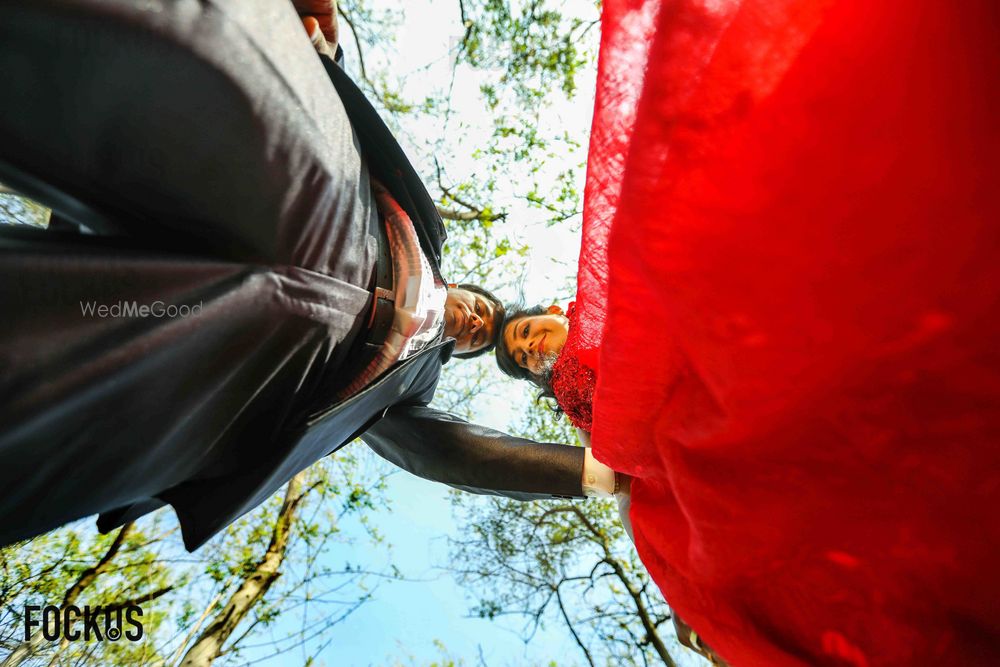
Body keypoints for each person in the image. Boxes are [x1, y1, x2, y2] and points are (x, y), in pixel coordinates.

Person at [0, 0, 621, 552]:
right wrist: (320, 49)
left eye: (488, 343)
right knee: (143, 49)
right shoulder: (424, 228)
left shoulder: (406, 395)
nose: (484, 326)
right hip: (323, 193)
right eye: (495, 318)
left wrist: (592, 472)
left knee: (41, 379)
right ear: (468, 286)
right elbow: (366, 136)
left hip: (251, 366)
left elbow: (450, 454)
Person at [498, 0, 1000, 665]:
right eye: (522, 356)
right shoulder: (584, 403)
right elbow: (631, 483)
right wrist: (684, 598)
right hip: (706, 442)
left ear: (552, 312)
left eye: (526, 330)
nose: (530, 345)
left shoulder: (609, 283)